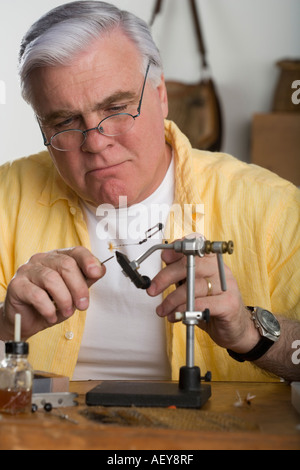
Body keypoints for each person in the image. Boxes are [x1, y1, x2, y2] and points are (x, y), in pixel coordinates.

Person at [0, 1, 299, 382]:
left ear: (161, 95)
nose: (95, 142)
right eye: (66, 121)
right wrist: (3, 323)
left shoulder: (272, 206)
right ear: (42, 128)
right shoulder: (5, 197)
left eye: (117, 108)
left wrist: (248, 333)